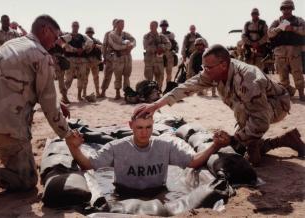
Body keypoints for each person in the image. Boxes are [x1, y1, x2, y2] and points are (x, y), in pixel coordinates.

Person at [134, 44, 305, 166]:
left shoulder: (248, 79)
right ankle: (286, 139)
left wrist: (233, 139)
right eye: (203, 66)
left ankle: (253, 143)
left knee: (239, 142)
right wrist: (156, 105)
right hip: (253, 110)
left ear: (223, 64)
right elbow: (188, 86)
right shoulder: (215, 71)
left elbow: (260, 121)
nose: (204, 71)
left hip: (277, 105)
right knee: (242, 148)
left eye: (208, 67)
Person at [0, 15, 83, 191]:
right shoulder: (41, 56)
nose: (56, 43)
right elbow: (50, 108)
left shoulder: (11, 44)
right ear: (45, 30)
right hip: (5, 127)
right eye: (56, 37)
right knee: (27, 180)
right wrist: (68, 134)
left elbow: (17, 83)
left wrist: (53, 102)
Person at [67, 106, 229, 193]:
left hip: (158, 193)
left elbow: (193, 162)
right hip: (123, 194)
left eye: (148, 127)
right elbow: (88, 165)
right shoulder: (116, 147)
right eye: (139, 127)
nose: (144, 132)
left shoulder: (165, 145)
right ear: (130, 126)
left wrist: (215, 145)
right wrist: (73, 147)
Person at [268, 0, 305, 101]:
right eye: (284, 8)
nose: (286, 10)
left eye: (288, 8)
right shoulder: (277, 21)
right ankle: (288, 92)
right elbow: (270, 33)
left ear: (292, 9)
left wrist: (293, 28)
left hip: (294, 52)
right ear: (281, 9)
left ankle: (301, 94)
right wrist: (280, 28)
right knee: (282, 75)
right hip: (280, 53)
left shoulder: (298, 20)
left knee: (298, 73)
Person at [63, 21, 93, 101]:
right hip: (71, 59)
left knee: (81, 78)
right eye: (74, 26)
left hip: (81, 60)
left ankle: (79, 95)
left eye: (76, 26)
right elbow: (64, 44)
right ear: (71, 26)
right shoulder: (68, 36)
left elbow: (90, 42)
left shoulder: (82, 36)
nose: (75, 27)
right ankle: (64, 96)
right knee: (68, 79)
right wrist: (75, 50)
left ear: (78, 27)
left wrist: (83, 48)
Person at [108, 19, 136, 99]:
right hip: (118, 58)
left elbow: (134, 40)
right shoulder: (112, 35)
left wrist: (131, 46)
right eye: (121, 24)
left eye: (123, 25)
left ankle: (127, 92)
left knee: (127, 75)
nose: (122, 26)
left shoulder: (126, 34)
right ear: (116, 25)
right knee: (118, 76)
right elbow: (114, 46)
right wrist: (125, 47)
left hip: (127, 57)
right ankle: (117, 93)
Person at [143, 21, 171, 90]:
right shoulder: (146, 36)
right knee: (148, 79)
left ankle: (158, 91)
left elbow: (169, 45)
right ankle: (149, 93)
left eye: (153, 26)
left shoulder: (161, 36)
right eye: (150, 25)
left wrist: (162, 48)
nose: (151, 27)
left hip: (159, 61)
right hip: (149, 61)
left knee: (160, 78)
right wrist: (156, 49)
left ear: (156, 26)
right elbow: (146, 46)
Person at [100, 19, 117, 98]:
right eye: (115, 23)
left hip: (119, 57)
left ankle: (118, 93)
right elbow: (104, 45)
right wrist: (104, 56)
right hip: (110, 57)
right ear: (113, 24)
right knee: (107, 75)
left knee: (118, 76)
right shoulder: (108, 33)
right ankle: (103, 92)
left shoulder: (123, 34)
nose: (117, 25)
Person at [84, 26, 103, 98]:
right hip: (87, 61)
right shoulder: (84, 40)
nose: (90, 34)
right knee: (85, 78)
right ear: (86, 33)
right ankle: (84, 93)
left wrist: (96, 46)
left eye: (91, 32)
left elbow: (102, 46)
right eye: (88, 32)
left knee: (96, 78)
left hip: (95, 61)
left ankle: (97, 92)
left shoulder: (96, 40)